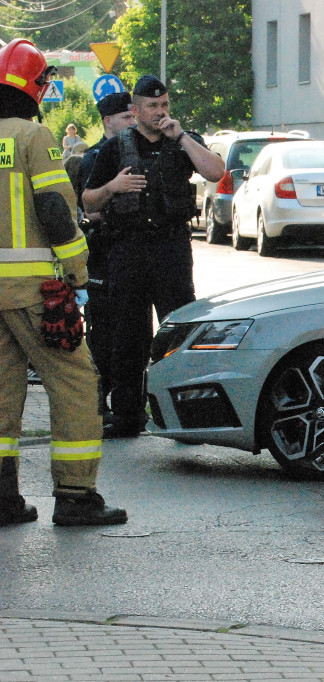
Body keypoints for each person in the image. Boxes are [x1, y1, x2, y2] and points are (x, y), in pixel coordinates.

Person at [0, 38, 126, 526]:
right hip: (34, 290)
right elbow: (54, 209)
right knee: (76, 382)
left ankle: (3, 497)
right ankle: (76, 496)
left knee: (3, 389)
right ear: (36, 87)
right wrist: (77, 267)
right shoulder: (34, 137)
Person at [82, 75, 224, 439]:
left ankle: (188, 416)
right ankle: (128, 414)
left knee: (180, 333)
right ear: (135, 110)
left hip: (171, 249)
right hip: (127, 249)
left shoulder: (183, 141)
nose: (160, 112)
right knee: (129, 335)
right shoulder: (115, 149)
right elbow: (89, 201)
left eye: (164, 105)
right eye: (152, 106)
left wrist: (182, 137)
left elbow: (215, 172)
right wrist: (114, 188)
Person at [76, 92, 135, 426]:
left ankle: (130, 406)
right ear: (108, 120)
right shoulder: (93, 158)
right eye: (125, 117)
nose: (132, 122)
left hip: (131, 256)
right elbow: (86, 211)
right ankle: (97, 404)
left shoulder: (138, 151)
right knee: (101, 334)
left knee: (132, 335)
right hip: (101, 255)